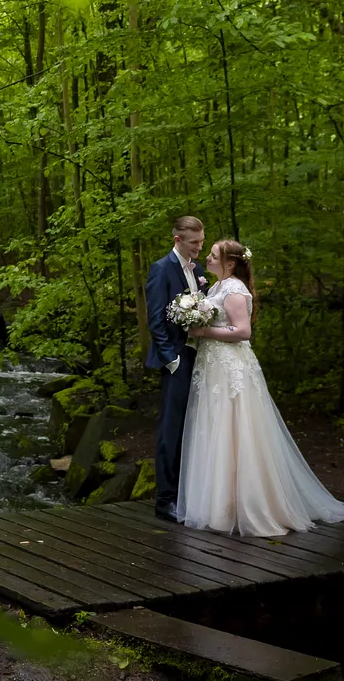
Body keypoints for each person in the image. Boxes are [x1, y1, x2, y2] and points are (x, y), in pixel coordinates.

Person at [175, 239, 344, 537]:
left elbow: (243, 331)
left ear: (230, 263)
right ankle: (220, 505)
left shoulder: (234, 290)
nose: (208, 257)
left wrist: (202, 330)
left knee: (237, 432)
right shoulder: (216, 288)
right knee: (216, 431)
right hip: (213, 367)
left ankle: (249, 505)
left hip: (231, 368)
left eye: (214, 254)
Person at [144, 215, 208, 522]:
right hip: (177, 362)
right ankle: (164, 500)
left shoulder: (199, 271)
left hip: (199, 359)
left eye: (202, 241)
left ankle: (184, 493)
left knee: (191, 427)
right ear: (177, 240)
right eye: (194, 242)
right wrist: (172, 359)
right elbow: (155, 319)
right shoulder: (161, 269)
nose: (200, 246)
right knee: (170, 429)